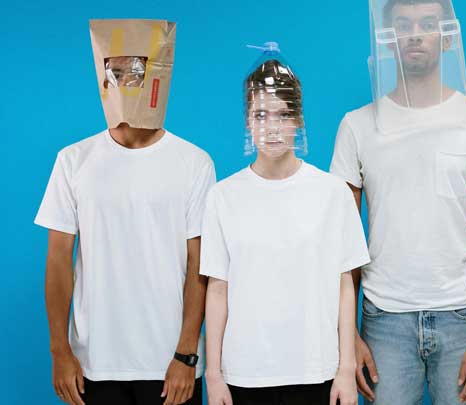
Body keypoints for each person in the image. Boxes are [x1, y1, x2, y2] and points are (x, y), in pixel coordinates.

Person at [330, 1, 466, 403]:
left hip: (463, 315)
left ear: (447, 36)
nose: (415, 33)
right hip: (384, 321)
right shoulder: (357, 126)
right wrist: (349, 337)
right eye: (404, 24)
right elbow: (339, 240)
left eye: (428, 24)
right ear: (387, 39)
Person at [35, 19, 215, 405]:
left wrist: (186, 354)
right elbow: (58, 262)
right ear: (104, 81)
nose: (125, 84)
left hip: (169, 365)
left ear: (158, 79)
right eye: (115, 73)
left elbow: (200, 264)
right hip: (93, 364)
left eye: (137, 73)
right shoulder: (74, 161)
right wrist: (59, 350)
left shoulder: (194, 163)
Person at [202, 43, 370, 405]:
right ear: (248, 121)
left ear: (299, 120)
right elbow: (217, 288)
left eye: (282, 114)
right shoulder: (223, 196)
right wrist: (214, 376)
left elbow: (345, 286)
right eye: (261, 115)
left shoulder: (332, 193)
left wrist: (345, 369)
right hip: (245, 373)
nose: (272, 127)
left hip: (316, 370)